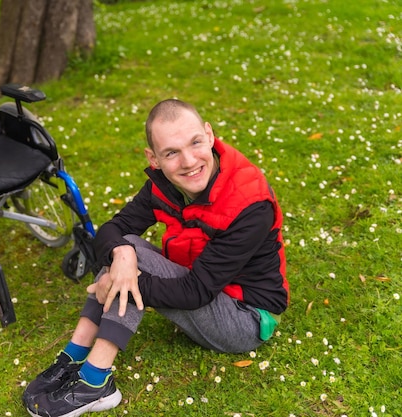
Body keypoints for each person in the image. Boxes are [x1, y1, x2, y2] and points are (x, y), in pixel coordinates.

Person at [23, 99, 289, 417]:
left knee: (133, 265)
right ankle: (74, 357)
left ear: (209, 134)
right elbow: (113, 229)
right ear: (155, 158)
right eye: (171, 153)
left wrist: (121, 279)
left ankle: (95, 383)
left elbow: (196, 292)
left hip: (244, 318)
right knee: (126, 248)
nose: (189, 161)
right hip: (205, 292)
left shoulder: (249, 204)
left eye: (195, 143)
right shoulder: (162, 186)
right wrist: (120, 256)